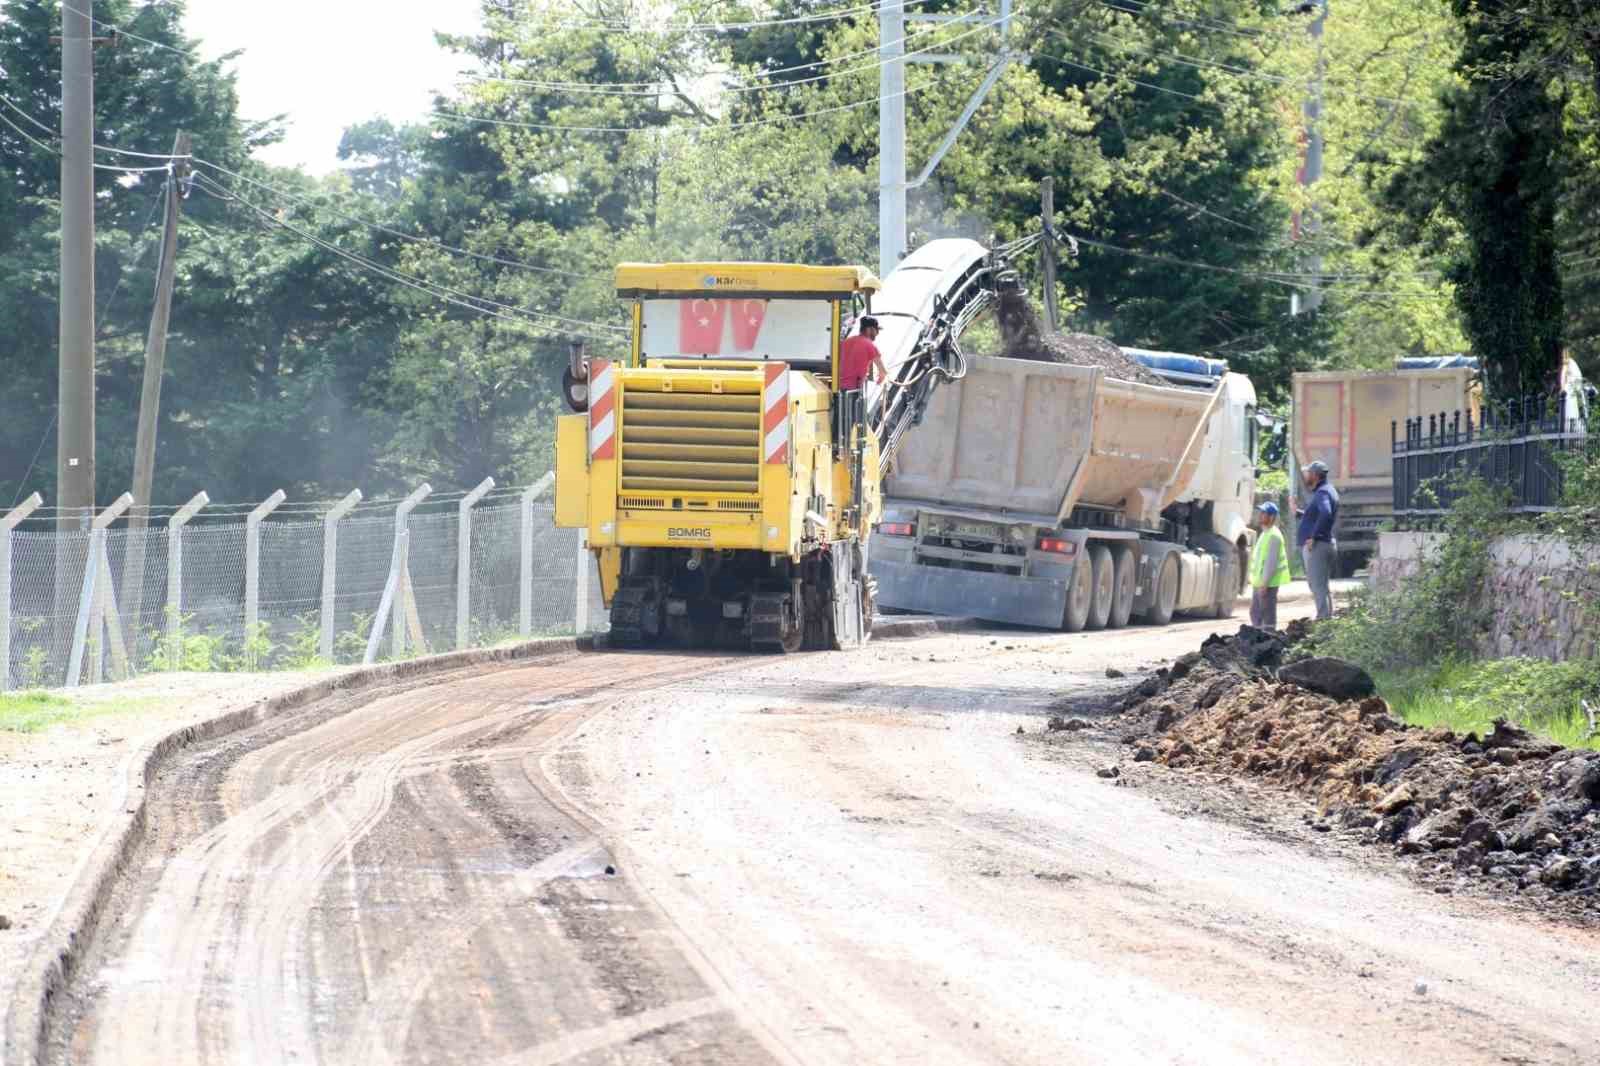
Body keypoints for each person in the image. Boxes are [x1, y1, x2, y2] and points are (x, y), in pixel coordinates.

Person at [1297, 459, 1339, 620]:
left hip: (1319, 546)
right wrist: (1299, 513)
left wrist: (1313, 536)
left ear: (1315, 475)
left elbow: (1326, 512)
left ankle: (1323, 620)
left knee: (1317, 586)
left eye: (1308, 473)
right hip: (1325, 543)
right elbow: (1318, 515)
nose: (1306, 475)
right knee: (1322, 586)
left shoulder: (1322, 493)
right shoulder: (1329, 490)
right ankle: (1326, 618)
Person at [1249, 501, 1290, 630]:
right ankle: (1259, 641)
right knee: (1255, 614)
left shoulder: (1274, 536)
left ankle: (1269, 640)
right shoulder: (1265, 533)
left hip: (1267, 584)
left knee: (1267, 618)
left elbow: (1270, 563)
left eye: (1263, 513)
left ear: (1271, 517)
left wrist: (1264, 584)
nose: (1260, 515)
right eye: (1260, 512)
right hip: (1259, 583)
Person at [838, 316, 888, 391]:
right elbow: (883, 372)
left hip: (838, 387)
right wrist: (877, 384)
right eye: (876, 330)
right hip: (853, 390)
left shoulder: (846, 342)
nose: (877, 333)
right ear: (869, 329)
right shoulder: (870, 345)